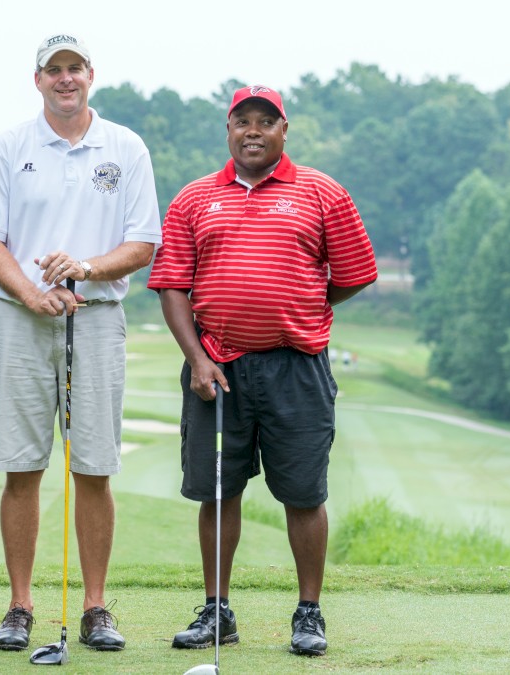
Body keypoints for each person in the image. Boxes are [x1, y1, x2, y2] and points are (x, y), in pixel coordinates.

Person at [147, 85, 378, 657]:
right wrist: (196, 359)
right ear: (228, 130)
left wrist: (302, 306)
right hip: (216, 367)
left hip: (295, 367)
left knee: (303, 493)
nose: (253, 131)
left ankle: (308, 613)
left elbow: (353, 273)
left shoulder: (322, 192)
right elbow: (173, 285)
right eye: (241, 121)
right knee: (216, 490)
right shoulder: (195, 198)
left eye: (265, 122)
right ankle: (216, 611)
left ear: (283, 130)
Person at [0, 34, 161, 652]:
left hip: (97, 318)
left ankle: (96, 606)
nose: (66, 79)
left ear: (91, 75)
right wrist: (31, 292)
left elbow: (142, 244)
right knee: (22, 465)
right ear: (39, 79)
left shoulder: (125, 147)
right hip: (21, 321)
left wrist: (86, 269)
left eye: (75, 68)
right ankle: (21, 606)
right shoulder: (8, 146)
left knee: (95, 466)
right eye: (55, 70)